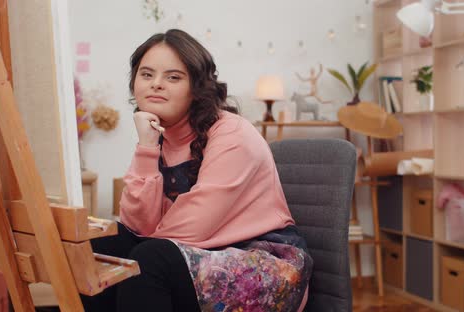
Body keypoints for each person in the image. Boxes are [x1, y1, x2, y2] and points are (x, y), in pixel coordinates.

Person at [80, 29, 313, 312]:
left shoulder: (231, 133)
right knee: (104, 245)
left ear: (197, 87)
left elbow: (197, 223)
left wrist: (134, 257)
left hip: (265, 265)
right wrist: (146, 147)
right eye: (146, 74)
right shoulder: (158, 136)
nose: (156, 84)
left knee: (149, 258)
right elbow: (136, 224)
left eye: (173, 77)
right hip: (201, 252)